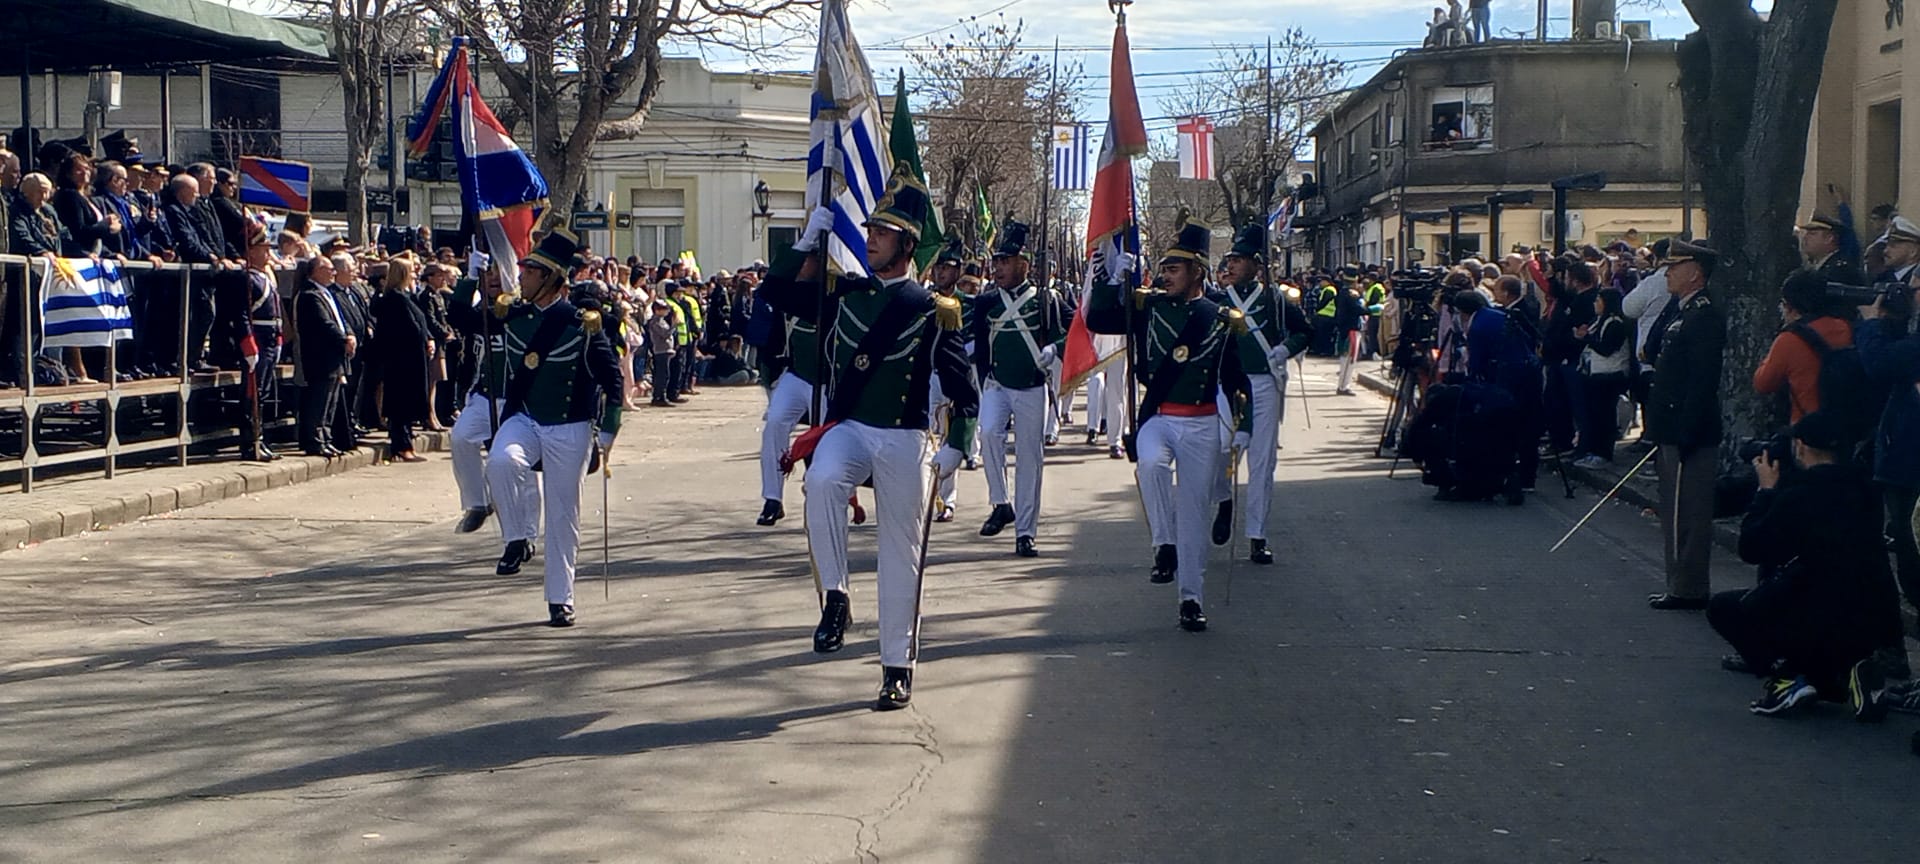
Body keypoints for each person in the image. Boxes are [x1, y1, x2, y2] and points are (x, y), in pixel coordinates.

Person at [759, 178, 979, 709]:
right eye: (870, 230)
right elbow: (776, 293)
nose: (871, 238)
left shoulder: (933, 309)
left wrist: (958, 444)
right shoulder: (844, 296)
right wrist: (808, 240)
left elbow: (961, 384)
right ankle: (835, 596)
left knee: (900, 554)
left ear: (907, 245)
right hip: (851, 427)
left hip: (904, 437)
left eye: (883, 232)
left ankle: (897, 665)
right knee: (823, 477)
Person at [1084, 215, 1252, 633]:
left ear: (1197, 271)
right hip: (1158, 416)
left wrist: (1243, 425)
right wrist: (1112, 280)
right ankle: (1163, 544)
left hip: (1201, 423)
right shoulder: (1146, 306)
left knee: (1194, 515)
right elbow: (1099, 319)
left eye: (1174, 269)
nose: (1165, 276)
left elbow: (1235, 378)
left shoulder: (1219, 318)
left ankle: (1191, 598)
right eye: (1163, 268)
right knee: (1151, 464)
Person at [1709, 412, 1901, 717]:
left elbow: (1752, 547)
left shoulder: (1797, 496)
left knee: (1723, 608)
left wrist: (1765, 492)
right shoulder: (1865, 490)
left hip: (1811, 615)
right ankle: (1852, 670)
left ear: (1800, 446)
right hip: (1868, 616)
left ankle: (1786, 677)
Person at [485, 227, 625, 627]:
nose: (521, 276)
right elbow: (466, 320)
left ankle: (560, 598)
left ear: (550, 279)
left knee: (564, 516)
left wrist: (609, 430)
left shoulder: (582, 324)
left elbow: (611, 379)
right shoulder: (512, 314)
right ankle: (517, 538)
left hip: (570, 425)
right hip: (525, 417)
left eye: (529, 271)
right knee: (501, 462)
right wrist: (470, 279)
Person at [1210, 223, 1311, 564]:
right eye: (1231, 260)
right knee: (1220, 452)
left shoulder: (1275, 299)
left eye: (1240, 260)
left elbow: (1303, 332)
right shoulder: (1219, 300)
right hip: (1226, 385)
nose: (1233, 265)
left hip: (1264, 382)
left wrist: (1285, 349)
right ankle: (1224, 501)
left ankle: (1257, 534)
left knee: (1262, 461)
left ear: (1257, 264)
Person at [972, 220, 1065, 558]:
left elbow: (1072, 331)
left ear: (1023, 264)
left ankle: (1026, 531)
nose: (997, 268)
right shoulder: (986, 302)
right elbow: (974, 339)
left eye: (1005, 261)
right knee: (988, 434)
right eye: (996, 262)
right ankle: (1001, 502)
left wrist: (1055, 347)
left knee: (1030, 460)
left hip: (1031, 388)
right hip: (997, 384)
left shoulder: (1046, 299)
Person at [1644, 239, 1725, 611]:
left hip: (1688, 427)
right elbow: (1653, 344)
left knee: (1687, 514)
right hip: (1671, 426)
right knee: (1674, 511)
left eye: (1674, 268)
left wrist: (1688, 427)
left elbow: (1702, 380)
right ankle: (1678, 582)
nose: (1667, 273)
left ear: (1695, 272)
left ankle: (1688, 587)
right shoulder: (1682, 311)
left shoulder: (1704, 315)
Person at [1854, 266, 1920, 619]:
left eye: (1915, 289)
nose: (1910, 296)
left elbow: (1879, 363)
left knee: (1912, 559)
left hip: (1909, 463)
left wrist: (1872, 322)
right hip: (1904, 459)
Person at [446, 258, 512, 535]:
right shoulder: (478, 312)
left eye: (499, 272)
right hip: (485, 394)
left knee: (512, 464)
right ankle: (478, 502)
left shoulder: (520, 310)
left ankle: (521, 534)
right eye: (489, 273)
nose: (493, 278)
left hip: (517, 399)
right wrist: (469, 277)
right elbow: (456, 316)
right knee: (460, 437)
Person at [1752, 270, 1852, 425]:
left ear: (1790, 307)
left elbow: (1763, 383)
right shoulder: (1844, 328)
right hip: (1844, 424)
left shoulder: (1788, 340)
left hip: (1806, 425)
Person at [370, 256, 434, 463]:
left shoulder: (406, 297)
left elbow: (420, 323)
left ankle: (407, 442)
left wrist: (427, 339)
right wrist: (421, 340)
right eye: (411, 272)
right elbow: (407, 328)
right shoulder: (394, 299)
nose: (415, 275)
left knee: (407, 404)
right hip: (400, 360)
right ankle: (401, 444)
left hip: (412, 358)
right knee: (400, 404)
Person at [926, 240, 972, 522]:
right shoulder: (925, 301)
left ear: (958, 271)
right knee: (929, 437)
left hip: (960, 376)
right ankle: (930, 494)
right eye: (938, 267)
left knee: (950, 436)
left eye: (947, 267)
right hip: (929, 376)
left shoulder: (970, 304)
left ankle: (948, 499)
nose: (941, 272)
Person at [293, 255, 351, 458]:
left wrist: (349, 334)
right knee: (318, 400)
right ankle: (314, 440)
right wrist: (343, 339)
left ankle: (326, 437)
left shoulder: (325, 293)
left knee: (331, 401)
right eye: (329, 269)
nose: (333, 272)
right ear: (316, 271)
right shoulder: (309, 294)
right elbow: (323, 323)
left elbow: (339, 318)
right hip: (319, 356)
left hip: (334, 357)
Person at [238, 222, 283, 462]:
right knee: (252, 395)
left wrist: (278, 338)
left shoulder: (265, 278)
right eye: (263, 248)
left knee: (262, 394)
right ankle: (250, 443)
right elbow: (243, 314)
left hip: (270, 340)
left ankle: (260, 439)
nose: (268, 253)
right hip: (257, 340)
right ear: (251, 250)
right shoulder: (248, 278)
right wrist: (249, 345)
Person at [1572, 288, 1631, 467]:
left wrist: (1587, 338)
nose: (1595, 304)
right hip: (1595, 374)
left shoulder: (1615, 323)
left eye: (1599, 301)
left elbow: (1606, 348)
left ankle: (1604, 454)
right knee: (1595, 415)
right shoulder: (1598, 321)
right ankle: (1593, 450)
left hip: (1610, 375)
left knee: (1605, 416)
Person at [328, 253, 374, 453]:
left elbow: (365, 313)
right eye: (350, 268)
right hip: (344, 350)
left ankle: (352, 423)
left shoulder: (353, 292)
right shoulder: (333, 294)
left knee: (356, 388)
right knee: (345, 391)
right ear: (338, 271)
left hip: (361, 348)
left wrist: (369, 326)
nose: (354, 271)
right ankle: (343, 430)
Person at [1799, 214, 1866, 286]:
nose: (1805, 237)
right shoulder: (1818, 267)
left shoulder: (1840, 272)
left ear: (1829, 238)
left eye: (1812, 234)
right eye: (1806, 233)